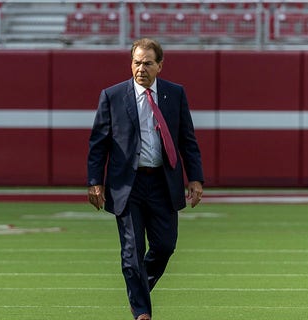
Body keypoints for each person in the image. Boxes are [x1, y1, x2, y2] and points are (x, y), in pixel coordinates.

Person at [87, 38, 204, 320]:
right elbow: (98, 143)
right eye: (137, 62)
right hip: (128, 184)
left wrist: (196, 178)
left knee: (165, 246)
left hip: (164, 183)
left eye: (148, 63)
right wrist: (95, 181)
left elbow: (187, 140)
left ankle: (138, 291)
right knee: (132, 251)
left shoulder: (175, 94)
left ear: (159, 66)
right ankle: (142, 312)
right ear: (131, 64)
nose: (141, 68)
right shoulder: (112, 96)